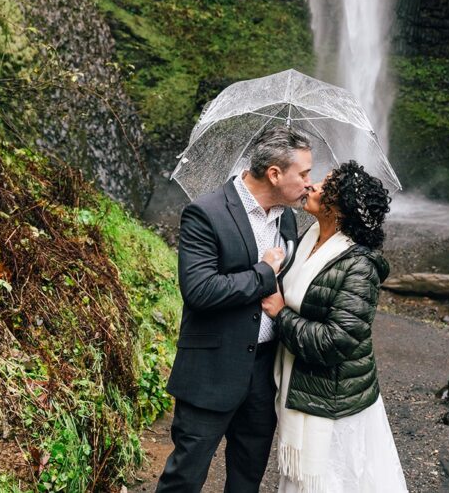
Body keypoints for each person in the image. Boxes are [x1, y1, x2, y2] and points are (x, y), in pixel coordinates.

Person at [157, 126, 313, 493]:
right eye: (303, 173)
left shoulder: (287, 217)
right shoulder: (206, 212)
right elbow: (199, 290)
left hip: (263, 371)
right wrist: (262, 273)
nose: (310, 182)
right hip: (211, 371)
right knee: (184, 477)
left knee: (247, 479)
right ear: (275, 174)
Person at [261, 160, 408, 493]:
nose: (311, 186)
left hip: (334, 401)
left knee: (333, 481)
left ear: (338, 210)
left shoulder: (359, 266)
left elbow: (336, 341)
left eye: (324, 187)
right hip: (304, 388)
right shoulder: (310, 237)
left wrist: (281, 314)